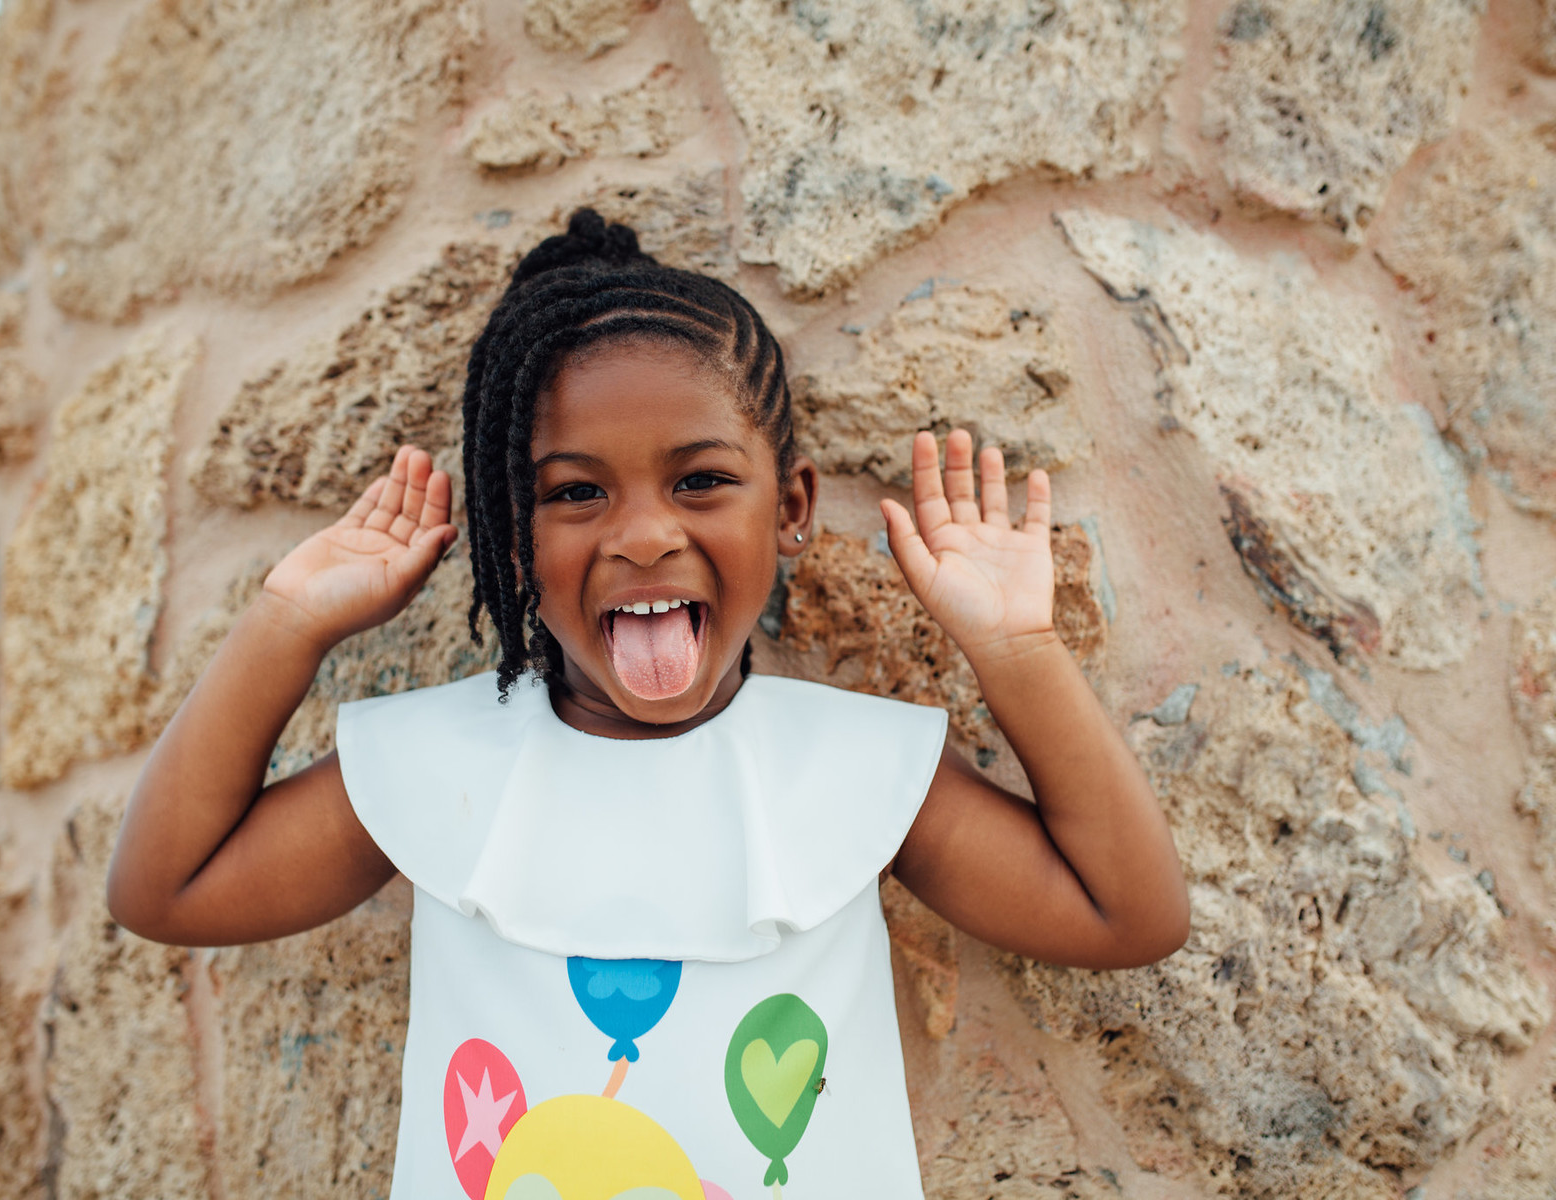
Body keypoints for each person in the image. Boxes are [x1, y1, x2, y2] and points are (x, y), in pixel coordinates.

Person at [107, 210, 1189, 1200]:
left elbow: (1127, 915)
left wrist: (1019, 648)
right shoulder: (438, 766)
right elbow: (168, 889)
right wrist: (286, 622)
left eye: (701, 482)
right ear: (511, 533)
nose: (641, 535)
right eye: (575, 494)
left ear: (793, 506)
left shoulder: (853, 772)